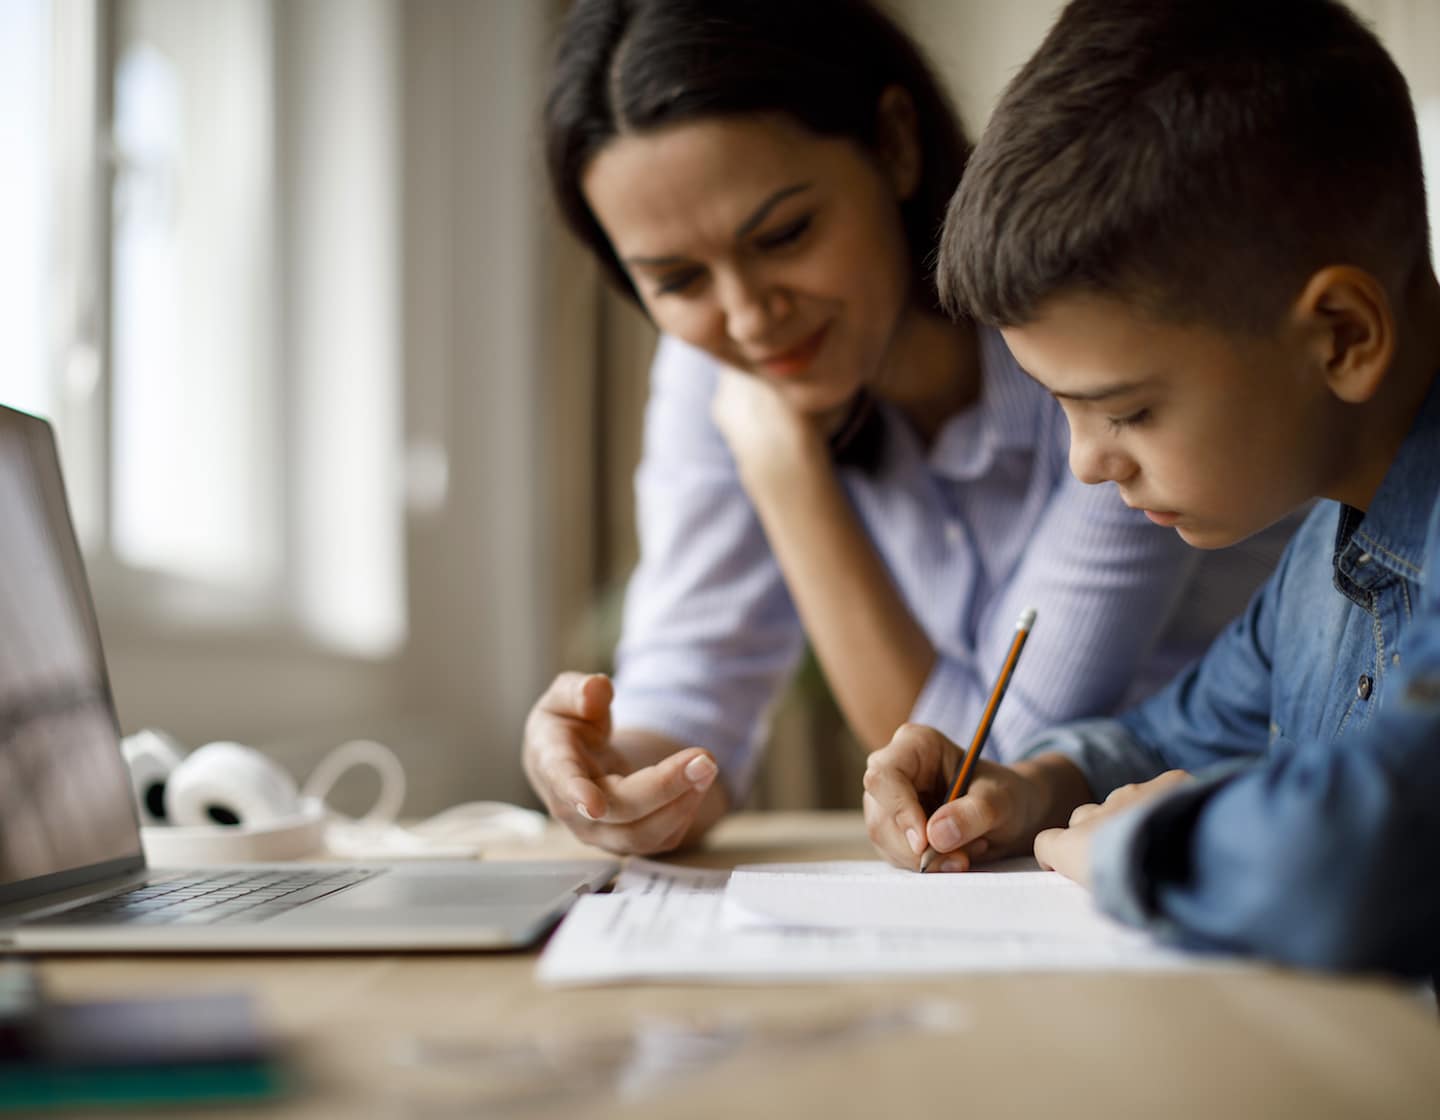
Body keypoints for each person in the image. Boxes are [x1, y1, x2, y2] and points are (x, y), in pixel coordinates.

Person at [524, 0, 1291, 857]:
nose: (747, 318)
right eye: (675, 279)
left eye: (784, 234)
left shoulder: (1098, 344)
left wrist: (785, 472)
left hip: (1226, 840)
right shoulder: (719, 365)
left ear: (893, 142)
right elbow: (692, 693)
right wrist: (610, 775)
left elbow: (985, 768)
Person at [863, 0, 1440, 975]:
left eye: (1125, 410)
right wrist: (1033, 788)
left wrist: (1139, 843)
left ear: (1342, 334)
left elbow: (1353, 859)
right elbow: (1174, 730)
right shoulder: (1329, 543)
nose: (1088, 462)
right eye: (1062, 408)